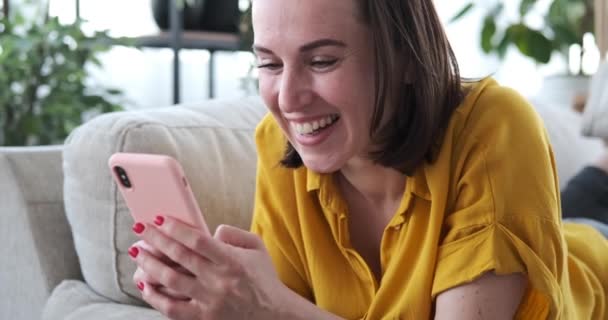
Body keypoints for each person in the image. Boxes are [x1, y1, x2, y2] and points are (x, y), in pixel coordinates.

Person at [127, 0, 608, 319]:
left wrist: (269, 309)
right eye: (269, 63)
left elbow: (277, 311)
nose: (288, 100)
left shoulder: (498, 124)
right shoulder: (280, 145)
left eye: (321, 61)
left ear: (404, 57)